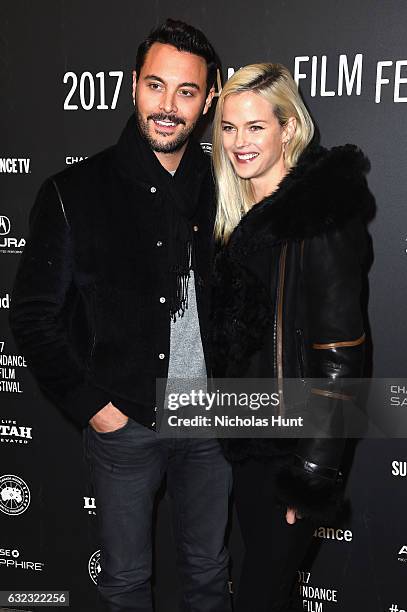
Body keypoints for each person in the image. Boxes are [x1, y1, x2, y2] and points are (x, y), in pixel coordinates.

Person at [9, 19, 232, 612]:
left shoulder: (227, 188)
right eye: (156, 86)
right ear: (133, 85)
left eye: (186, 92)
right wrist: (94, 408)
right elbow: (32, 315)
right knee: (126, 585)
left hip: (213, 425)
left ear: (209, 99)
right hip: (124, 423)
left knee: (210, 576)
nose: (168, 106)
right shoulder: (73, 192)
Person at [211, 63, 373, 611]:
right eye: (229, 127)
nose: (239, 142)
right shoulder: (238, 215)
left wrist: (310, 472)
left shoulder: (317, 219)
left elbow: (341, 358)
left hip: (289, 452)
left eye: (256, 127)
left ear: (289, 129)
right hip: (247, 443)